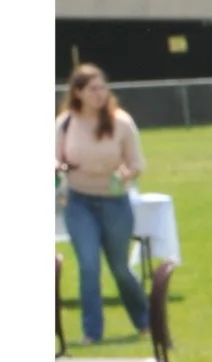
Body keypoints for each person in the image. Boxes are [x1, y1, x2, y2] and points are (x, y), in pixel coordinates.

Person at [55, 64, 150, 345]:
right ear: (78, 92)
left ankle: (145, 321)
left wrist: (125, 174)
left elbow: (137, 163)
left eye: (102, 88)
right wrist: (58, 166)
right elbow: (51, 156)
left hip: (115, 201)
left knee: (119, 267)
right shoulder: (65, 122)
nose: (99, 94)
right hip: (78, 202)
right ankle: (92, 332)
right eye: (92, 89)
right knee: (88, 265)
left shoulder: (121, 122)